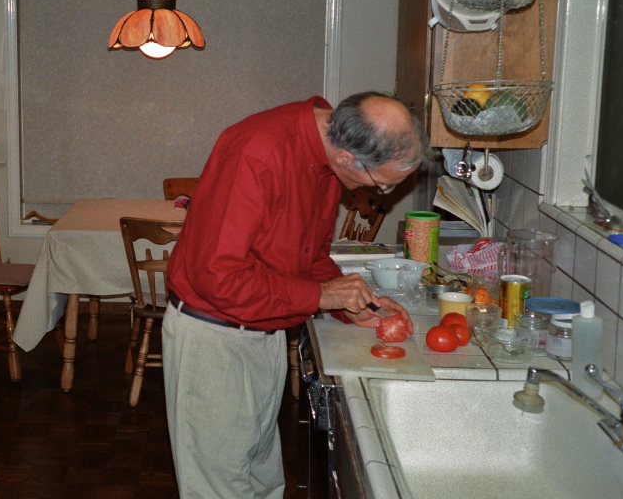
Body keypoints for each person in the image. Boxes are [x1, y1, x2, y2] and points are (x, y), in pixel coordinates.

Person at [163, 91, 432, 499]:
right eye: (384, 184)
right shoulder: (258, 152)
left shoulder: (325, 155)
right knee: (219, 489)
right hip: (214, 340)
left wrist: (348, 302)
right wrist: (319, 296)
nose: (382, 195)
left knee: (262, 480)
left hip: (264, 332)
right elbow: (216, 276)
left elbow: (307, 256)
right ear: (347, 157)